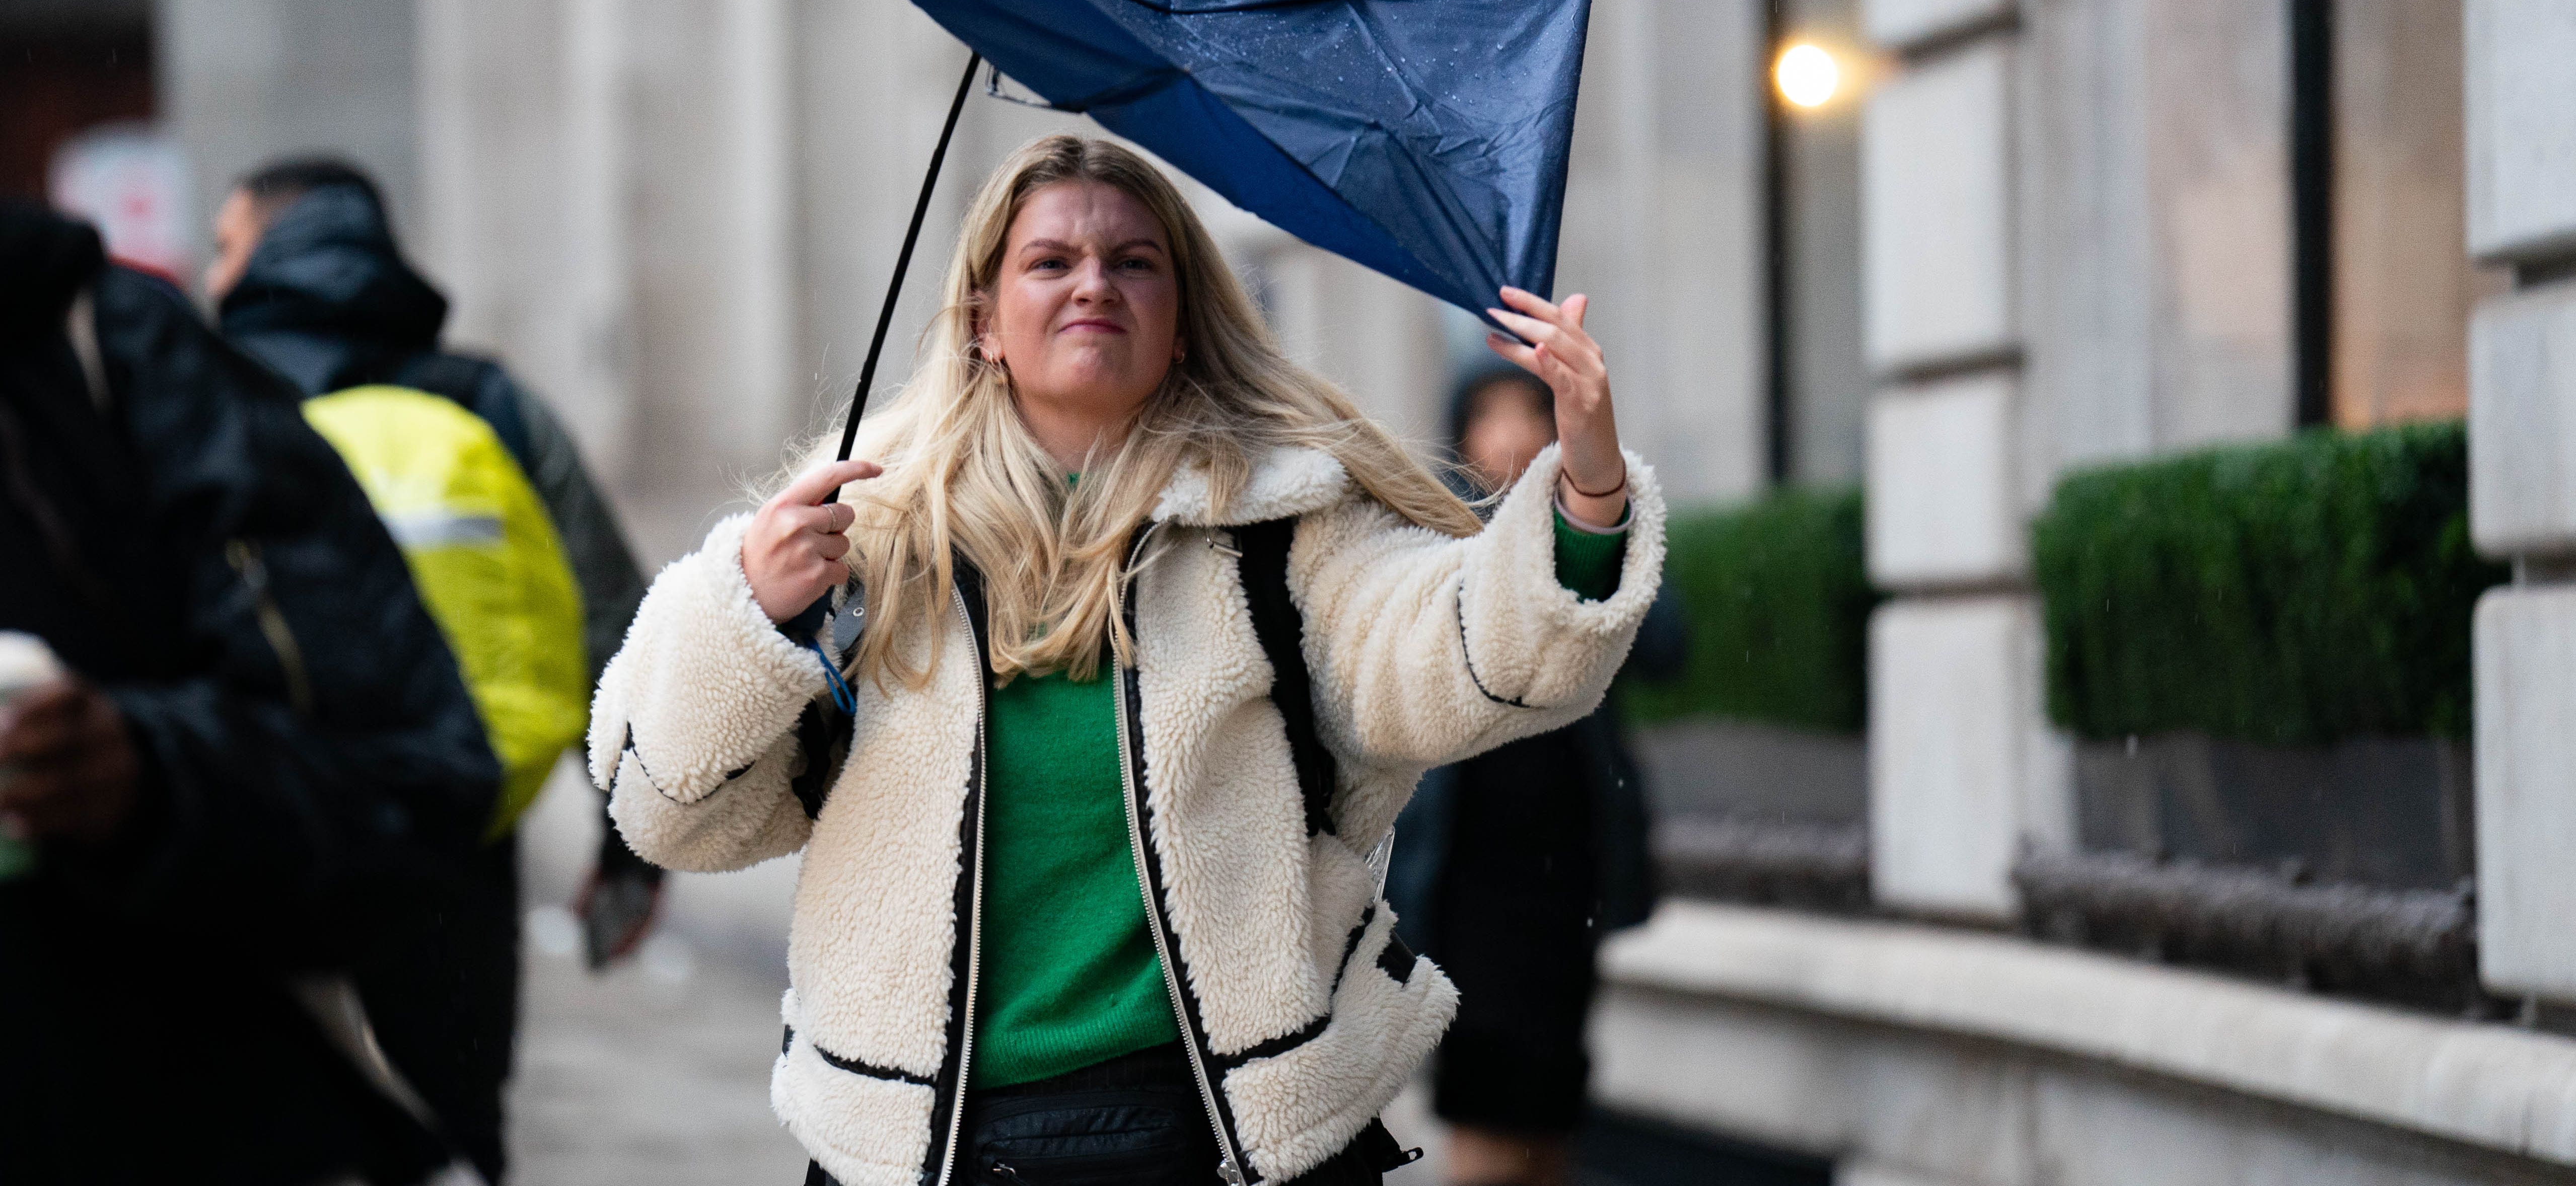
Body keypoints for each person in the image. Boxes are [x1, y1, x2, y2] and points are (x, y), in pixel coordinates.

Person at [590, 134, 1668, 1186]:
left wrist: (1587, 492)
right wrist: (750, 614)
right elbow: (667, 806)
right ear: (983, 323)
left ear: (1186, 323)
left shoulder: (1281, 523)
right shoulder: (858, 534)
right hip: (926, 1144)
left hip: (1226, 1133)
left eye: (1134, 261)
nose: (1092, 284)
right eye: (1050, 261)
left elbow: (1471, 655)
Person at [0, 198, 500, 1185]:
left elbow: (416, 784)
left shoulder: (111, 355)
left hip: (177, 1110)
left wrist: (145, 776)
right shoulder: (480, 392)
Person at [205, 157, 661, 1182]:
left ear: (272, 248)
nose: (212, 270)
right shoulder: (486, 397)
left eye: (224, 244)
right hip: (460, 832)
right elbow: (614, 620)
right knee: (451, 1125)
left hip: (255, 835)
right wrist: (633, 845)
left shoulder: (204, 389)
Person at [1386, 366, 1689, 1186]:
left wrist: (1595, 508)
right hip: (1465, 878)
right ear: (1459, 435)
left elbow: (1665, 647)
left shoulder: (1596, 530)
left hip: (1567, 876)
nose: (1512, 433)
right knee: (1488, 1118)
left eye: (1531, 410)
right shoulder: (1430, 542)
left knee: (1551, 1117)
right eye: (1489, 415)